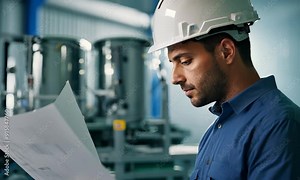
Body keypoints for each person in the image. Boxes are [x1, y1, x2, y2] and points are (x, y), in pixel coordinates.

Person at [148, 0, 300, 179]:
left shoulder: (278, 125)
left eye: (185, 61)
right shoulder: (215, 131)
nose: (175, 78)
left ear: (226, 51)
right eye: (173, 63)